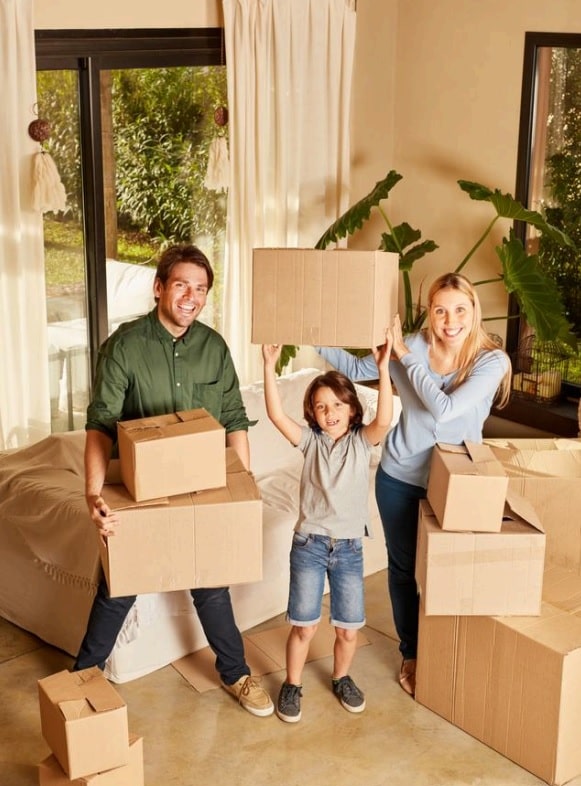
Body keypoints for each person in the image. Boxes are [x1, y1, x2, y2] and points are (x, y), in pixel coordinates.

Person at [75, 243, 274, 718]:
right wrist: (93, 494)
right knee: (119, 584)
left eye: (201, 288)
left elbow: (234, 422)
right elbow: (101, 424)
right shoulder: (125, 345)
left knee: (210, 582)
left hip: (202, 486)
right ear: (160, 287)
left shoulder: (213, 348)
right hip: (140, 489)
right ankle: (82, 679)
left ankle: (235, 673)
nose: (191, 296)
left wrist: (241, 491)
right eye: (182, 284)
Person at [315, 272, 511, 699]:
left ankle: (453, 653)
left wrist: (404, 354)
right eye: (440, 310)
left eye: (460, 309)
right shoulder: (416, 344)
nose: (450, 320)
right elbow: (351, 367)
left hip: (457, 485)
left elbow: (444, 411)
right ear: (428, 313)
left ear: (474, 311)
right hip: (400, 478)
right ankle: (412, 652)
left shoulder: (490, 361)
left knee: (451, 575)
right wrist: (305, 331)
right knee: (404, 571)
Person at [262, 327, 393, 723]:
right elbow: (274, 414)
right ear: (312, 415)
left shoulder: (360, 442)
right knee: (303, 626)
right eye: (320, 407)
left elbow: (384, 419)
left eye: (337, 405)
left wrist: (384, 369)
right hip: (310, 545)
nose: (330, 412)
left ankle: (342, 678)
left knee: (348, 630)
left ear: (352, 409)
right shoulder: (311, 442)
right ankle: (292, 684)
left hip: (350, 549)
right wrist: (268, 365)